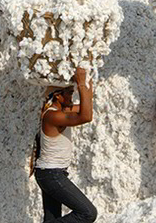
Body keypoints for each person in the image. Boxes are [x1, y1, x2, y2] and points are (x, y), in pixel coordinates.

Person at [32, 68, 97, 223]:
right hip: (50, 175)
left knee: (52, 219)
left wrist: (88, 80)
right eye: (68, 92)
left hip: (50, 173)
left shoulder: (59, 110)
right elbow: (86, 116)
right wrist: (81, 83)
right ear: (58, 96)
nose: (72, 95)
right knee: (88, 213)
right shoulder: (52, 115)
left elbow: (86, 108)